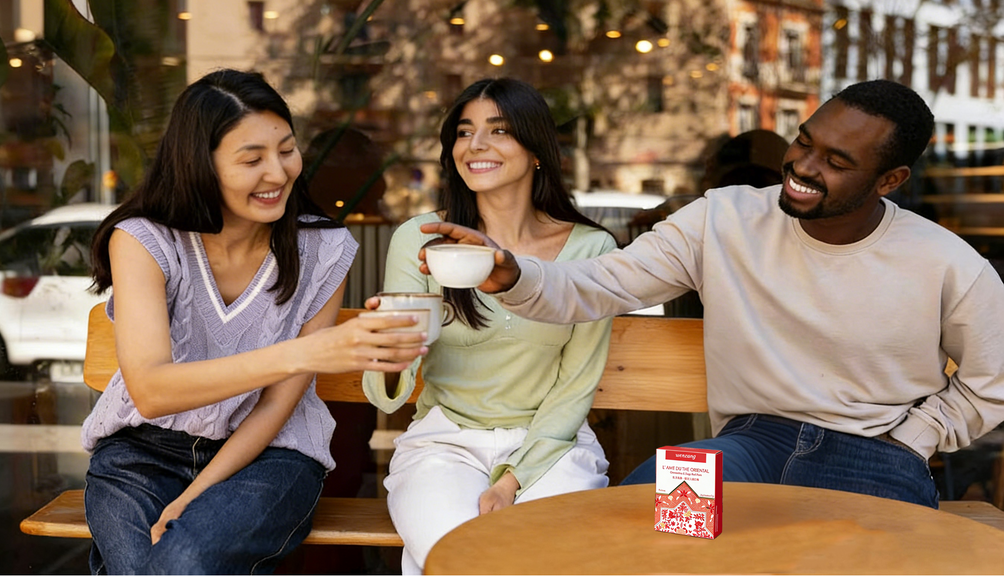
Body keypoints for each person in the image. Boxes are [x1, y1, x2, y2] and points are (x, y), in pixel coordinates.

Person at [416, 79, 1004, 509]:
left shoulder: (947, 263)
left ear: (890, 180)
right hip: (752, 439)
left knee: (865, 563)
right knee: (643, 512)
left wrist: (915, 439)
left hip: (874, 452)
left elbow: (991, 380)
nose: (801, 165)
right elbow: (600, 284)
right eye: (804, 142)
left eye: (836, 161)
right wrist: (513, 274)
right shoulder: (723, 219)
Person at [81, 69, 427, 574]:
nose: (279, 172)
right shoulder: (143, 241)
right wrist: (306, 352)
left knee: (186, 560)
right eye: (252, 160)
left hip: (272, 457)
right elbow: (152, 391)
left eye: (286, 150)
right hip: (142, 453)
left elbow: (276, 409)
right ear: (201, 166)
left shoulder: (323, 250)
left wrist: (193, 498)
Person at [360, 77, 615, 574]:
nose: (475, 145)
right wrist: (392, 353)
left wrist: (510, 481)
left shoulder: (591, 250)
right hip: (443, 442)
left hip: (551, 445)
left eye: (498, 130)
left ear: (536, 148)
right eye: (463, 131)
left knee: (540, 561)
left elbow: (575, 386)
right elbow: (386, 395)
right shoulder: (421, 238)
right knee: (457, 559)